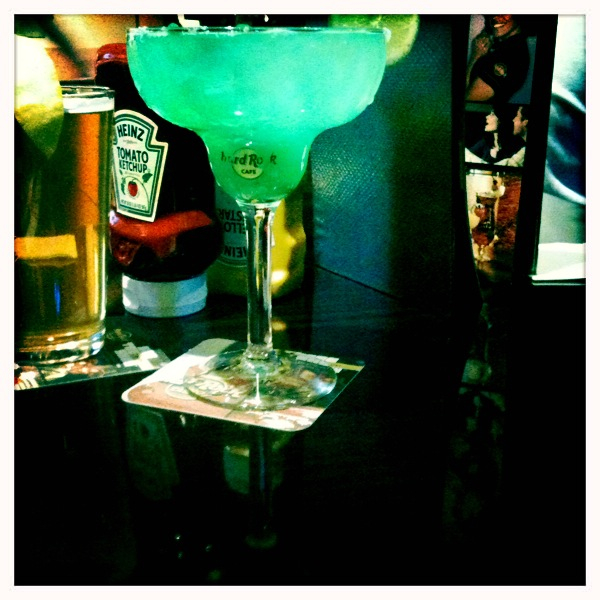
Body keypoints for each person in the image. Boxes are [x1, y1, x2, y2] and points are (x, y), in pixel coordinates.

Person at [466, 15, 530, 103]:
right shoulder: (503, 44)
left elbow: (467, 99)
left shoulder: (511, 54)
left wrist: (475, 56)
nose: (496, 17)